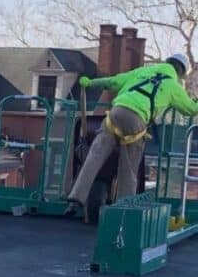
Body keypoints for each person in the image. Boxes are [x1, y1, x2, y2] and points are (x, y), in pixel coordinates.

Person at [66, 52, 198, 215]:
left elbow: (113, 81)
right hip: (136, 121)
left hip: (115, 113)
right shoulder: (173, 86)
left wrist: (90, 83)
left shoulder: (142, 72)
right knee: (128, 169)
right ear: (181, 72)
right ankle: (123, 210)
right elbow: (191, 109)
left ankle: (75, 198)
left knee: (94, 156)